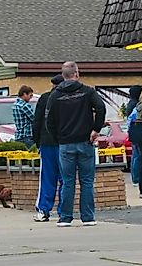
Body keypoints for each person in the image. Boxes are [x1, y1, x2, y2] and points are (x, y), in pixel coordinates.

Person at [46, 61, 106, 227]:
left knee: (67, 181)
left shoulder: (55, 95)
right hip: (85, 141)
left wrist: (58, 137)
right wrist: (95, 129)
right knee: (87, 181)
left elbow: (48, 120)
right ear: (77, 74)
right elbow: (101, 107)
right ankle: (88, 217)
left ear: (63, 75)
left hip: (65, 143)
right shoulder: (87, 92)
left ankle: (65, 217)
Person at [32, 74, 64, 222]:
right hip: (66, 142)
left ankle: (44, 209)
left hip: (48, 142)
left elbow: (37, 122)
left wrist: (38, 142)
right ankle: (64, 211)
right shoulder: (72, 97)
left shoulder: (45, 98)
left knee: (47, 178)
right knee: (66, 179)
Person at [125, 85, 142, 186]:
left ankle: (135, 177)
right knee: (137, 156)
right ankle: (136, 178)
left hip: (132, 132)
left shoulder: (130, 104)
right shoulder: (136, 105)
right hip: (137, 131)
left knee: (135, 155)